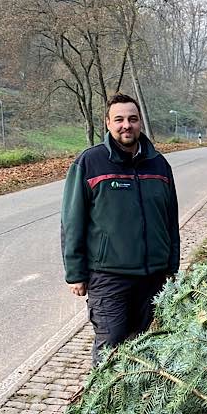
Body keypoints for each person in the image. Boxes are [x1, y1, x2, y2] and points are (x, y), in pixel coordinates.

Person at [61, 93, 180, 364]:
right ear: (108, 123)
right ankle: (101, 406)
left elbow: (170, 220)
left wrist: (172, 266)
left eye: (132, 119)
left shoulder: (159, 165)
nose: (126, 125)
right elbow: (72, 221)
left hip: (153, 277)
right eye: (119, 119)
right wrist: (75, 274)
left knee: (146, 347)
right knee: (111, 347)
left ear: (140, 123)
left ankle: (138, 406)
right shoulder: (90, 163)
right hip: (108, 278)